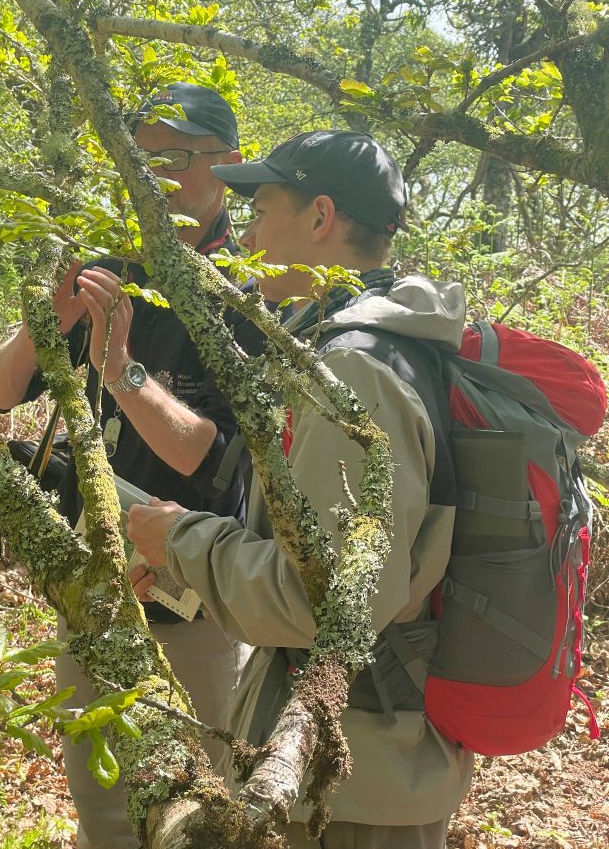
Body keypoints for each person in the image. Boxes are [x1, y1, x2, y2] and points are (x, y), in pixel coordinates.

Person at [126, 129, 475, 849]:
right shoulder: (372, 348)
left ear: (320, 218)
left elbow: (325, 604)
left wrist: (179, 541)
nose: (245, 227)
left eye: (261, 207)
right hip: (362, 760)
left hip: (351, 784)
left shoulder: (353, 374)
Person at [0, 83, 264, 849]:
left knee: (198, 807)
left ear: (227, 166)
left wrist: (121, 368)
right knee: (101, 805)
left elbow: (210, 459)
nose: (153, 181)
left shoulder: (252, 292)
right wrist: (53, 319)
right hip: (94, 581)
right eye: (140, 161)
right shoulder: (113, 267)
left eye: (172, 161)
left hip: (192, 597)